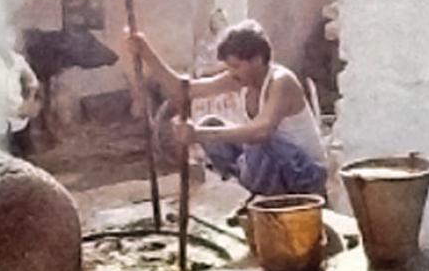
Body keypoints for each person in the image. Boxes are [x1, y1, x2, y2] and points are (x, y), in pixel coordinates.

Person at [126, 19, 327, 198]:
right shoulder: (240, 78)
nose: (231, 72)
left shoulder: (281, 81)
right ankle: (247, 185)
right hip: (269, 167)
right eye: (230, 66)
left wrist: (198, 134)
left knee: (257, 141)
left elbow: (262, 131)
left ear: (257, 60)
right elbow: (184, 89)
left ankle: (261, 197)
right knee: (211, 123)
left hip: (304, 175)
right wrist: (145, 52)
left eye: (236, 66)